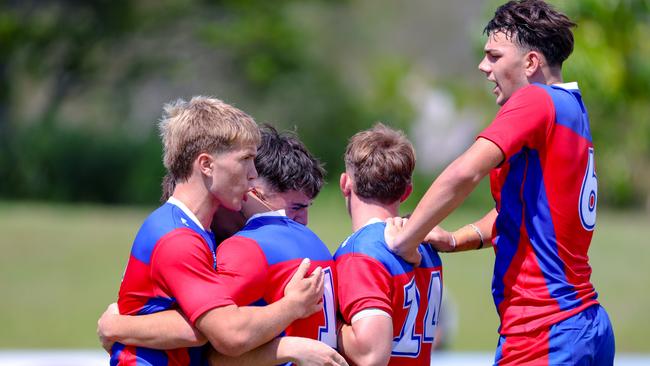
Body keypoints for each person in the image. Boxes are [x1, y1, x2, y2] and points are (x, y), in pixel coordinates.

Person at [384, 1, 615, 364]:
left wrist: (406, 238)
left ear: (531, 62)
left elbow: (466, 172)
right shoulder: (571, 107)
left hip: (543, 332)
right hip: (585, 324)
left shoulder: (536, 101)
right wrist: (456, 238)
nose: (483, 66)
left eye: (494, 56)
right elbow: (524, 210)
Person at [101, 124, 346, 365]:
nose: (301, 221)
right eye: (296, 208)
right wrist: (290, 313)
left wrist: (117, 326)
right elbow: (223, 331)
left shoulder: (245, 244)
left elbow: (218, 331)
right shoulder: (190, 238)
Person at [335, 123, 443, 365]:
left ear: (345, 183)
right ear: (406, 192)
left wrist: (328, 320)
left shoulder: (361, 253)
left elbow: (371, 354)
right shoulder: (426, 246)